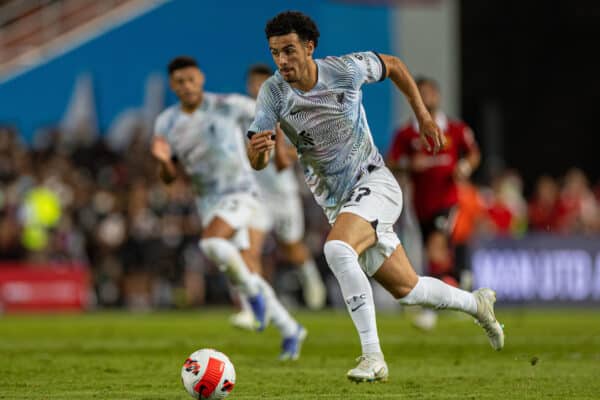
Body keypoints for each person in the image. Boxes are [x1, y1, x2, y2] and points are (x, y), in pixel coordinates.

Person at [246, 11, 504, 382]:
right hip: (340, 205)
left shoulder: (345, 70)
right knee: (409, 289)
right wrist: (259, 150)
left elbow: (396, 65)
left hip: (375, 183)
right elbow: (258, 160)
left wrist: (423, 117)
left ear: (309, 47)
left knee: (337, 250)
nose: (282, 61)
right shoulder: (273, 92)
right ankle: (476, 303)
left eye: (289, 50)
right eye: (275, 53)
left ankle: (373, 358)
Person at [151, 56, 306, 360]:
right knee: (245, 267)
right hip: (207, 200)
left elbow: (269, 113)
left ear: (201, 79)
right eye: (180, 82)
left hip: (240, 191)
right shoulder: (166, 122)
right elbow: (169, 177)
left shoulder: (226, 104)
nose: (187, 86)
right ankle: (290, 329)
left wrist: (281, 151)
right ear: (173, 85)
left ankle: (251, 301)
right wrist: (163, 161)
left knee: (211, 242)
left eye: (191, 79)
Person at [387, 77, 481, 329]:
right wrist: (408, 165)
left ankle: (431, 309)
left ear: (437, 96)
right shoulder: (406, 133)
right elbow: (392, 161)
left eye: (429, 93)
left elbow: (473, 153)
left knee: (435, 248)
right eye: (420, 93)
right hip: (420, 204)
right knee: (435, 255)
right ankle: (461, 282)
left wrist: (464, 166)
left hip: (447, 200)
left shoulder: (455, 129)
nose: (426, 98)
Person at [241, 64, 326, 315]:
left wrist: (277, 144)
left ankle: (309, 273)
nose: (257, 88)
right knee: (250, 248)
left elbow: (288, 159)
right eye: (253, 83)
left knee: (291, 247)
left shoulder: (288, 112)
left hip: (283, 194)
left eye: (261, 83)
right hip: (257, 194)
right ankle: (254, 305)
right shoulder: (243, 114)